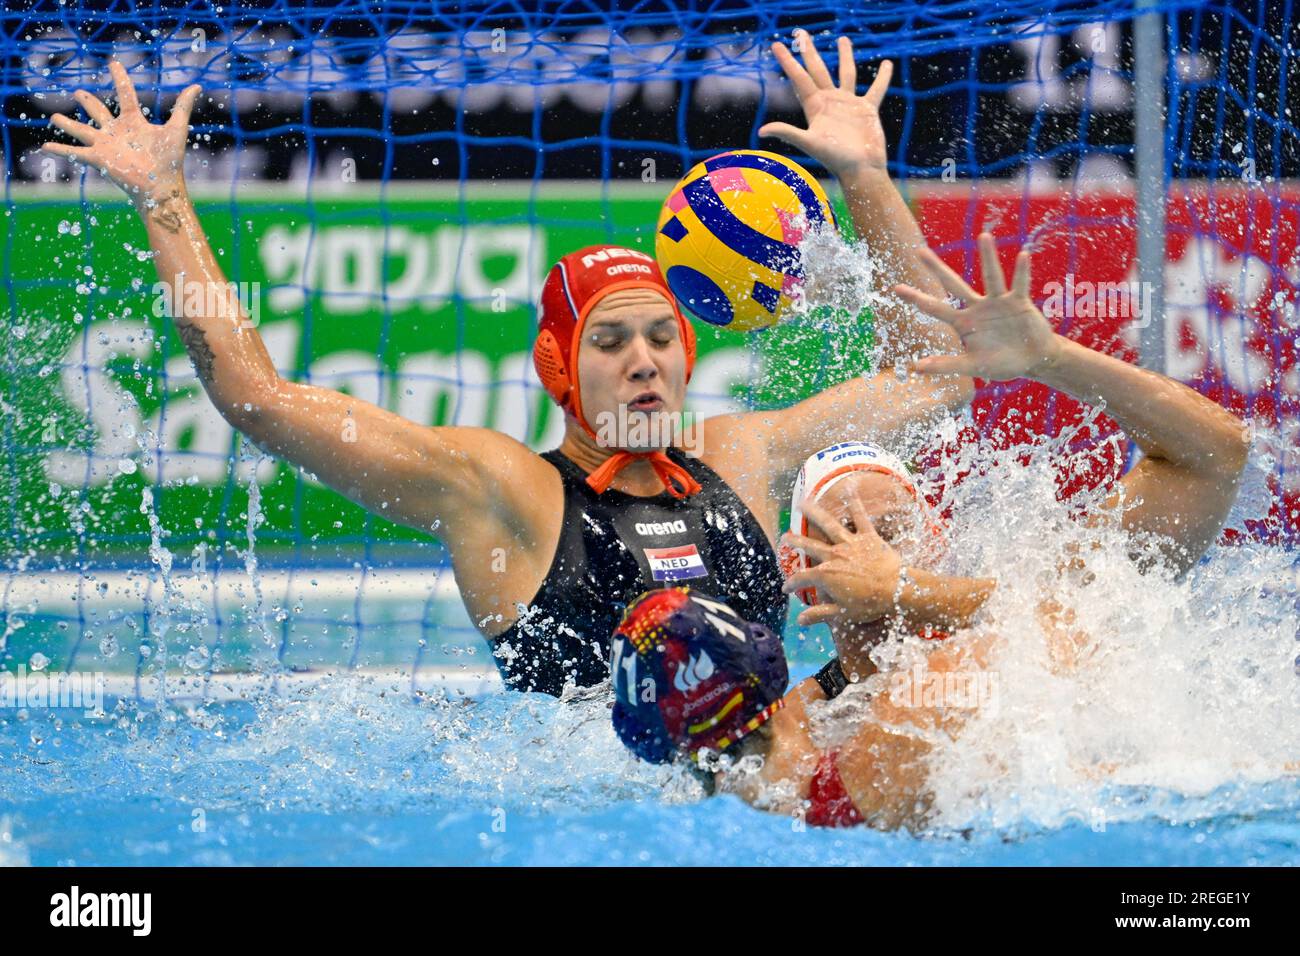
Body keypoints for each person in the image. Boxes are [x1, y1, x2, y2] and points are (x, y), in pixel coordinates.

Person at [42, 34, 972, 696]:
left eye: (660, 337)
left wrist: (865, 177)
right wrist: (164, 195)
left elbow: (940, 380)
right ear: (561, 369)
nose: (643, 361)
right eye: (610, 342)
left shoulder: (738, 453)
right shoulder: (500, 490)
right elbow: (254, 398)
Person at [611, 237, 1251, 830]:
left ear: (937, 539)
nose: (875, 553)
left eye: (893, 531)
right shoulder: (805, 723)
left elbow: (1217, 455)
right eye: (844, 532)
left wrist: (1054, 359)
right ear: (798, 572)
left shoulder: (1043, 597)